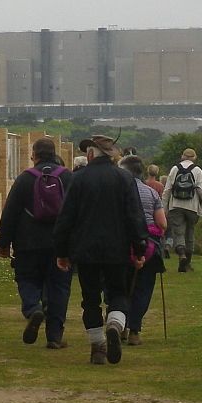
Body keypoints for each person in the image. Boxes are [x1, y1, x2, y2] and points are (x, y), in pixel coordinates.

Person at [53, 134, 149, 365]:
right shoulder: (125, 179)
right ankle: (115, 324)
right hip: (117, 249)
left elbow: (65, 219)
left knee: (90, 299)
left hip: (85, 250)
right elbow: (135, 217)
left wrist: (62, 252)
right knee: (118, 293)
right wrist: (139, 249)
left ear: (90, 154)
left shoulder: (78, 179)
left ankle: (97, 347)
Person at [0, 138, 74, 349]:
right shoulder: (68, 177)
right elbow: (77, 212)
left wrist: (3, 243)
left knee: (27, 279)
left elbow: (10, 213)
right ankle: (55, 336)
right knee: (59, 288)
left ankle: (33, 309)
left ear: (34, 155)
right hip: (60, 245)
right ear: (54, 154)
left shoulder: (25, 179)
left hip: (27, 243)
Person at [118, 154, 166, 346]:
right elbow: (162, 223)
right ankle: (134, 330)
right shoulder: (151, 193)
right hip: (148, 246)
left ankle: (119, 323)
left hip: (121, 245)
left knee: (120, 287)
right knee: (143, 288)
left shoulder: (117, 191)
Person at [162, 148, 202, 272]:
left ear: (182, 156)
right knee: (190, 232)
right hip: (192, 207)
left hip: (175, 206)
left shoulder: (175, 169)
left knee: (178, 232)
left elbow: (167, 190)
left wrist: (164, 208)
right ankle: (187, 263)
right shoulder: (197, 170)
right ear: (194, 158)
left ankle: (181, 253)